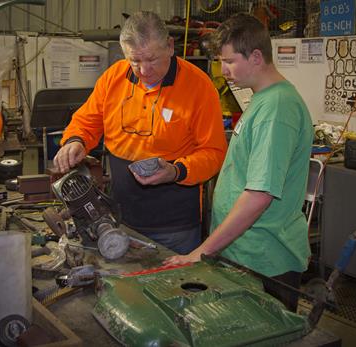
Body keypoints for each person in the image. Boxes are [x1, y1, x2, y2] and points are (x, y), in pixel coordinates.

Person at [164, 13, 314, 311]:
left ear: (256, 57)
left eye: (229, 61)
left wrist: (202, 252)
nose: (223, 70)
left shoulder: (277, 108)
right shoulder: (262, 99)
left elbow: (259, 195)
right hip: (244, 254)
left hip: (264, 260)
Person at [53, 11, 227, 255]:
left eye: (152, 60)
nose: (144, 70)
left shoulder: (198, 87)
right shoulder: (113, 78)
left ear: (170, 46)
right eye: (135, 61)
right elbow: (87, 120)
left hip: (175, 228)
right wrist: (76, 141)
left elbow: (214, 152)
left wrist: (177, 171)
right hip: (119, 219)